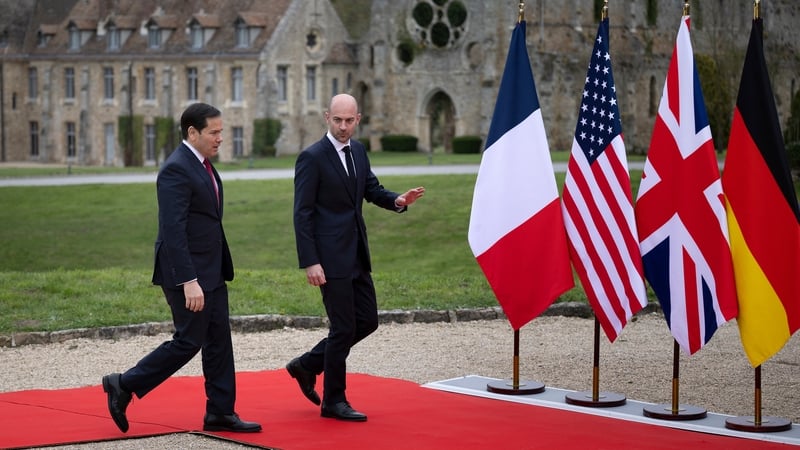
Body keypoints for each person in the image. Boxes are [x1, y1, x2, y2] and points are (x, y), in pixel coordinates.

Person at [102, 103, 261, 434]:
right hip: (186, 272)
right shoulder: (176, 169)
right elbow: (173, 230)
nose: (221, 138)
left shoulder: (201, 165)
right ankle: (124, 384)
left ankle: (220, 411)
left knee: (218, 339)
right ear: (192, 132)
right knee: (189, 340)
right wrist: (190, 280)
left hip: (212, 269)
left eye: (221, 131)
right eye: (214, 132)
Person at [287, 93, 425, 422]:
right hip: (328, 259)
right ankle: (334, 401)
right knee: (343, 327)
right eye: (338, 120)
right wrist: (310, 260)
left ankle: (306, 365)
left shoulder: (359, 151)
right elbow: (302, 214)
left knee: (367, 321)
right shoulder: (312, 158)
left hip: (356, 254)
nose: (344, 126)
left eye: (350, 121)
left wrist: (398, 200)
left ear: (358, 119)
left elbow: (371, 190)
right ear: (327, 118)